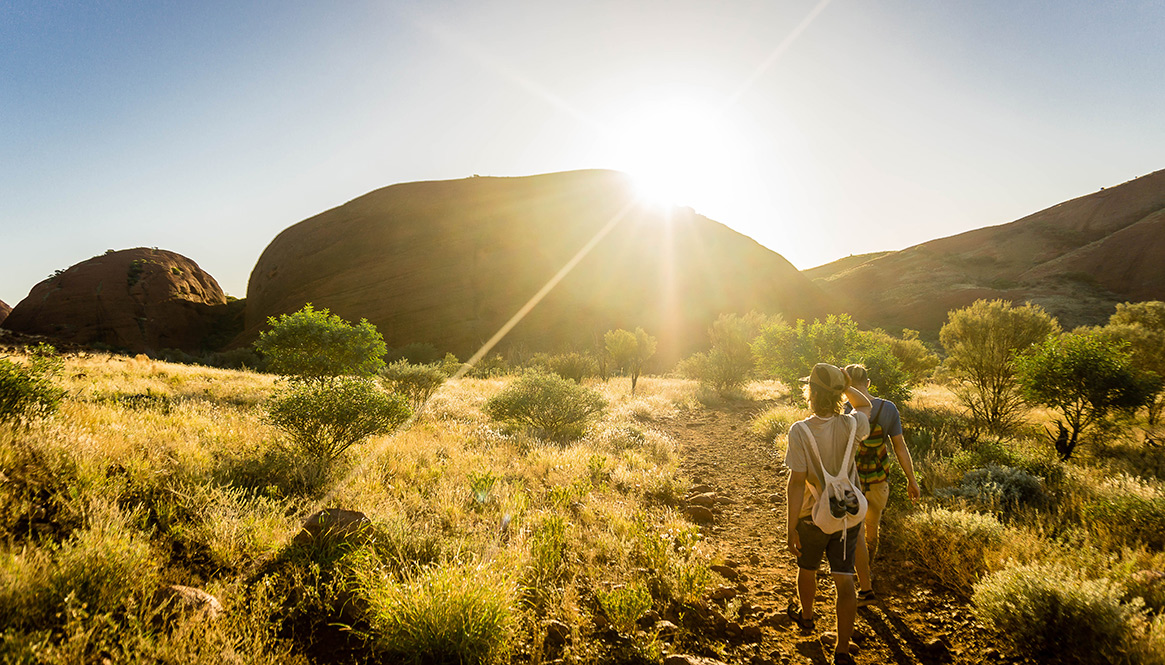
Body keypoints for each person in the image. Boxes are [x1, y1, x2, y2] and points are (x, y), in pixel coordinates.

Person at [784, 363, 871, 665]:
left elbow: (796, 483)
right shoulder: (852, 425)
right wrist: (846, 385)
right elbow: (865, 405)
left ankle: (807, 618)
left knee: (807, 567)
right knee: (845, 580)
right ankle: (843, 650)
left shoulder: (800, 430)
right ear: (837, 394)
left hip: (812, 514)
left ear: (810, 392)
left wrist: (791, 525)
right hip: (846, 516)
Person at [843, 363, 921, 608]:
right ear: (868, 383)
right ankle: (868, 572)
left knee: (850, 532)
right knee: (871, 529)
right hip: (878, 481)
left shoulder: (843, 409)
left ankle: (856, 575)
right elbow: (900, 448)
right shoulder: (888, 408)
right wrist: (912, 479)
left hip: (850, 480)